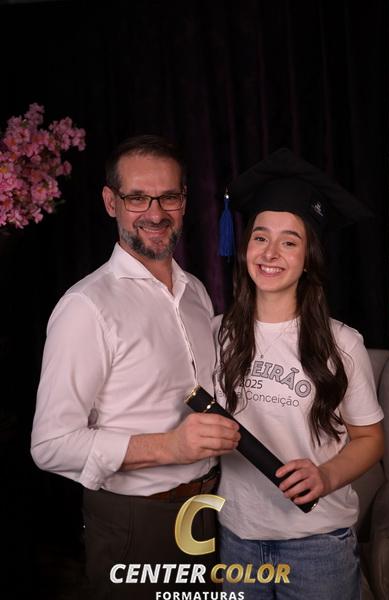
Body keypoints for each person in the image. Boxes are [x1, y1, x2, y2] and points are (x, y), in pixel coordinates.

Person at [31, 134, 240, 599]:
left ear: (184, 201)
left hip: (209, 511)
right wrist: (169, 446)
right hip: (135, 523)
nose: (155, 212)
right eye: (137, 197)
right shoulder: (86, 307)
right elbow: (49, 445)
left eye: (169, 197)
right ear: (111, 202)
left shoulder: (196, 292)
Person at [214, 148, 384, 600]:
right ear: (245, 246)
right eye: (260, 237)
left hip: (318, 545)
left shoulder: (341, 343)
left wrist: (325, 477)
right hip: (238, 537)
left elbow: (371, 439)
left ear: (308, 257)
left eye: (289, 242)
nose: (270, 253)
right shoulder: (218, 333)